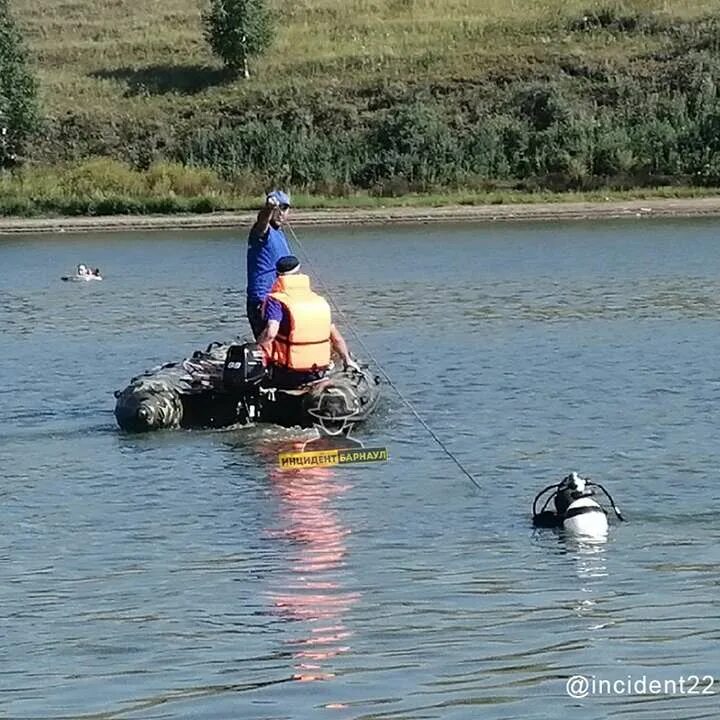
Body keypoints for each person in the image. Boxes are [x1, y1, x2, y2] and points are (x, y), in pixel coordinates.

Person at [258, 255, 360, 389]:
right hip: (319, 371)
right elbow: (337, 338)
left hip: (287, 373)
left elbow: (271, 332)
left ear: (277, 275)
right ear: (300, 274)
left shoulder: (276, 300)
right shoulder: (317, 300)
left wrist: (257, 348)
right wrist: (347, 360)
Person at [246, 190, 292, 339]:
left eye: (284, 208)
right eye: (278, 209)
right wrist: (268, 208)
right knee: (269, 346)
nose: (280, 213)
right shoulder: (261, 232)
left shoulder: (280, 234)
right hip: (262, 301)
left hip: (281, 300)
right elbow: (262, 221)